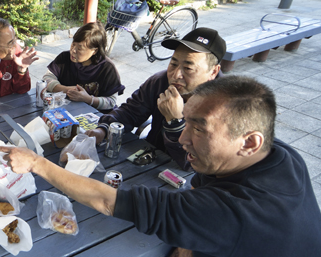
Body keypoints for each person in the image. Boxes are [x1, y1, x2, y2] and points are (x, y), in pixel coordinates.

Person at [0, 75, 321, 257]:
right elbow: (200, 183)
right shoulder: (280, 157)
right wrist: (192, 241)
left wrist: (37, 164)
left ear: (250, 142)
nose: (182, 139)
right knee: (160, 256)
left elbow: (110, 201)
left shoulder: (237, 211)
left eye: (199, 129)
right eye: (186, 122)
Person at [86, 27, 225, 171]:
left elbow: (197, 164)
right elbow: (131, 112)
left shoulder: (224, 106)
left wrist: (175, 122)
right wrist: (104, 128)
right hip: (150, 157)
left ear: (213, 71)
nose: (176, 75)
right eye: (173, 63)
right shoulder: (159, 82)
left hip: (185, 176)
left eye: (188, 68)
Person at [42, 21, 125, 113]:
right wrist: (65, 89)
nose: (73, 51)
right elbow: (47, 78)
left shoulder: (107, 68)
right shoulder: (64, 58)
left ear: (94, 51)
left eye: (80, 48)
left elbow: (111, 102)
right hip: (67, 112)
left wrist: (88, 99)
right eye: (73, 44)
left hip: (95, 116)